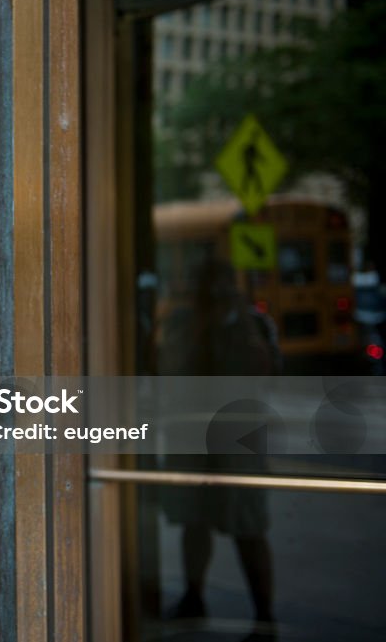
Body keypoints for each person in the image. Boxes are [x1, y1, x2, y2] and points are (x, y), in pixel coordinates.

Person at [160, 258, 279, 642]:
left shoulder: (251, 325)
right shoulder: (184, 324)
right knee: (194, 522)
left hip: (237, 438)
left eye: (224, 286)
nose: (215, 295)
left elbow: (269, 371)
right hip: (194, 434)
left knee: (248, 526)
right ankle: (194, 596)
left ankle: (264, 614)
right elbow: (166, 369)